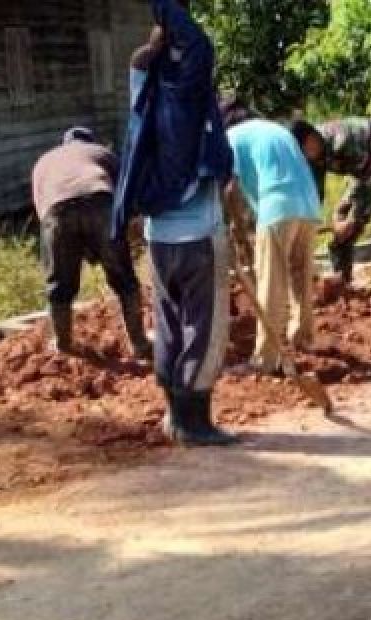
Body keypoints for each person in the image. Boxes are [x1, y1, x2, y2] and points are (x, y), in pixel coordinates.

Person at [113, 0, 237, 446]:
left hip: (158, 238)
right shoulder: (186, 94)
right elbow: (196, 42)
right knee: (204, 330)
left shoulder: (143, 85)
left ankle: (173, 416)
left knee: (167, 325)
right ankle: (195, 423)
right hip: (198, 236)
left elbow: (159, 49)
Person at [31, 127, 152, 358]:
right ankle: (139, 344)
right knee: (124, 279)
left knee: (59, 284)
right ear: (90, 141)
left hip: (56, 211)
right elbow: (126, 193)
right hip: (100, 200)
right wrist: (122, 234)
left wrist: (64, 241)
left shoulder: (44, 161)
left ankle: (63, 345)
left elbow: (41, 206)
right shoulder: (100, 153)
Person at [224, 115, 323, 374]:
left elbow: (228, 189)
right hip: (309, 204)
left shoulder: (228, 140)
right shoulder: (272, 130)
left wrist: (231, 227)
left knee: (271, 282)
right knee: (300, 275)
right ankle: (303, 338)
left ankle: (265, 359)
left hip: (279, 205)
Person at [290, 117, 371, 310]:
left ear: (311, 139)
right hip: (368, 167)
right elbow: (314, 195)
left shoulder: (343, 142)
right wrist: (311, 224)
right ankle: (342, 287)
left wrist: (353, 219)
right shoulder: (310, 156)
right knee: (339, 236)